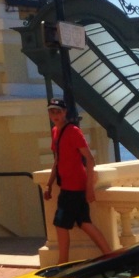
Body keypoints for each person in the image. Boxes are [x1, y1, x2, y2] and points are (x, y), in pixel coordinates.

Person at [42, 99, 112, 263]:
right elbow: (57, 160)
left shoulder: (73, 131)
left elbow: (89, 159)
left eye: (58, 111)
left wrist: (89, 188)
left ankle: (62, 263)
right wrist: (49, 185)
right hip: (67, 185)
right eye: (52, 112)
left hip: (74, 187)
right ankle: (110, 255)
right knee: (84, 222)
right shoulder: (55, 132)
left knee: (61, 224)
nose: (55, 115)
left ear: (65, 112)